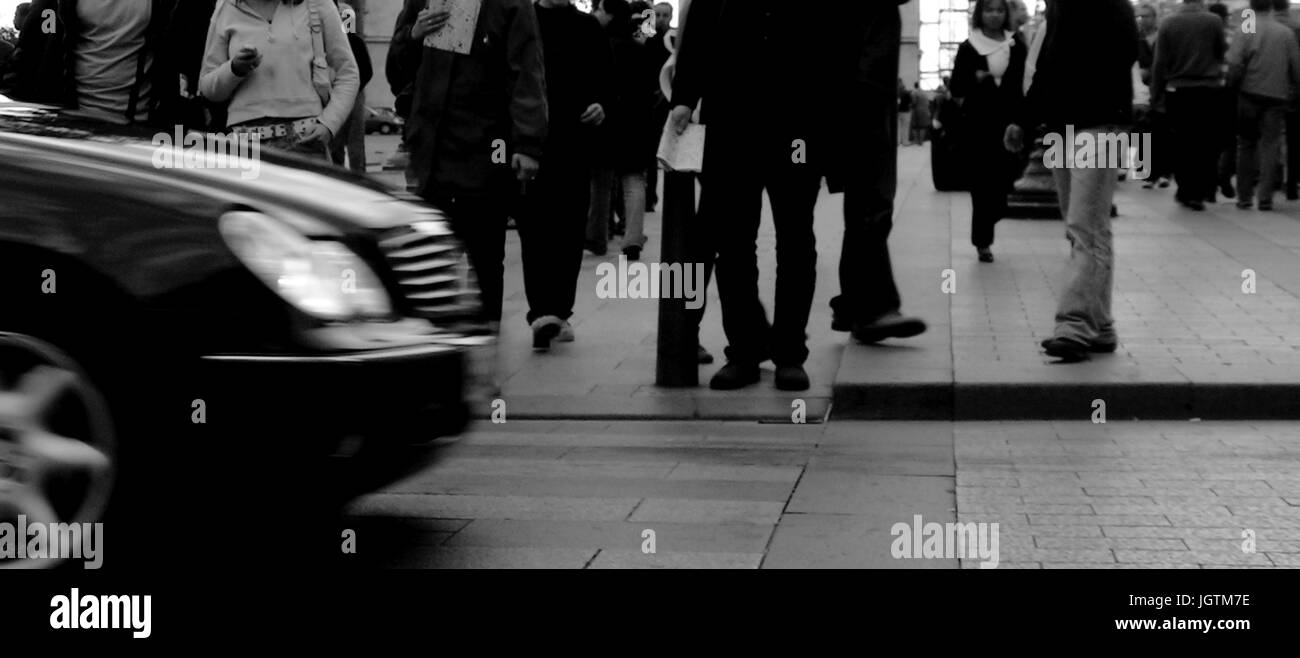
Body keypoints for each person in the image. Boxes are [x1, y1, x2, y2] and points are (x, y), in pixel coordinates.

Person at [668, 0, 829, 391]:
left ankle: (790, 353)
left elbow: (832, 43)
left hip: (797, 127)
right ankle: (744, 351)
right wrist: (684, 98)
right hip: (732, 121)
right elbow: (699, 34)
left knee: (796, 239)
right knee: (734, 242)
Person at [392, 0, 546, 332]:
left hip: (494, 145)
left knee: (487, 253)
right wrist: (413, 35)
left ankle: (485, 346)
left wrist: (527, 144)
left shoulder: (509, 5)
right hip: (429, 149)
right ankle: (434, 340)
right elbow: (396, 73)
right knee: (426, 257)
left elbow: (526, 71)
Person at [1008, 0, 1137, 362]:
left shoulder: (1114, 5)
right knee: (1083, 228)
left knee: (1086, 228)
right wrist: (1025, 119)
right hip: (1061, 128)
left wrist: (1075, 78)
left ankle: (1074, 325)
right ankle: (1102, 323)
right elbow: (1047, 66)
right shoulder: (1059, 6)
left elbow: (1126, 53)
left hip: (1100, 123)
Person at [825, 1, 928, 348]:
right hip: (862, 108)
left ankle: (854, 305)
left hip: (864, 104)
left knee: (865, 208)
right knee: (872, 207)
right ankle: (871, 309)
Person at [521, 0, 610, 351]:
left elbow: (606, 80)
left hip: (575, 143)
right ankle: (541, 311)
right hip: (534, 143)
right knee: (535, 228)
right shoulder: (525, 21)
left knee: (570, 229)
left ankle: (559, 311)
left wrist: (602, 104)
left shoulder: (588, 28)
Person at [3, 0, 215, 130]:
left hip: (142, 133)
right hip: (69, 129)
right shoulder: (51, 8)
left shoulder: (171, 6)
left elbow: (184, 49)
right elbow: (32, 54)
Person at [200, 0, 360, 160]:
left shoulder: (317, 4)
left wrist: (329, 124)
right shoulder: (226, 7)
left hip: (305, 140)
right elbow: (207, 87)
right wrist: (234, 69)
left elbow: (348, 73)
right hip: (246, 145)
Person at [951, 0, 1026, 264]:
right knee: (982, 185)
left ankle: (994, 215)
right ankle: (982, 241)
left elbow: (1023, 81)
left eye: (999, 10)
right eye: (989, 10)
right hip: (978, 125)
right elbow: (957, 87)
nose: (994, 15)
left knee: (1004, 180)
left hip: (1009, 123)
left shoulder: (1016, 43)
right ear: (980, 14)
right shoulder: (969, 46)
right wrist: (977, 80)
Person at [587, 0, 657, 262]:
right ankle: (632, 240)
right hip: (636, 123)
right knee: (634, 181)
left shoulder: (602, 46)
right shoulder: (639, 47)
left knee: (601, 183)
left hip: (607, 121)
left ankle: (596, 236)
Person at [1151, 0, 1228, 211]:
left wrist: (1156, 95)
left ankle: (1185, 188)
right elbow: (1221, 52)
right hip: (1208, 89)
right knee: (1204, 142)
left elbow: (1160, 62)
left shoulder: (1168, 23)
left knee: (1181, 141)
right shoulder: (1214, 21)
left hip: (1178, 90)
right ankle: (1199, 191)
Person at [1227, 0, 1300, 211]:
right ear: (1270, 6)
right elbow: (1296, 67)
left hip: (1249, 94)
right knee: (1270, 145)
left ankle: (1244, 197)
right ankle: (1265, 197)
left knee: (1246, 145)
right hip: (1276, 96)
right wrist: (1295, 92)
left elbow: (1234, 62)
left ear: (1251, 5)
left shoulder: (1246, 27)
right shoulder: (1285, 33)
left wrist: (1232, 88)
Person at [329, 1, 373, 173]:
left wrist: (351, 88)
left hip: (348, 95)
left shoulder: (351, 41)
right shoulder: (353, 41)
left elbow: (366, 71)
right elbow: (367, 70)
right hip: (347, 94)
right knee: (340, 141)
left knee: (344, 141)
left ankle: (350, 174)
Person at [1135, 1, 1171, 190]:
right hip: (1141, 90)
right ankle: (1147, 173)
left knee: (1162, 131)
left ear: (1154, 17)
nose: (1141, 20)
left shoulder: (1162, 36)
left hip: (1161, 88)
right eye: (1139, 16)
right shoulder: (1135, 39)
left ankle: (1164, 172)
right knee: (1143, 132)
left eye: (1145, 16)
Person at [644, 1, 675, 212]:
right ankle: (649, 196)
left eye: (665, 15)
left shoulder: (674, 40)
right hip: (649, 101)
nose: (662, 18)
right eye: (658, 15)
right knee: (649, 151)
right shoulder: (648, 40)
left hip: (667, 102)